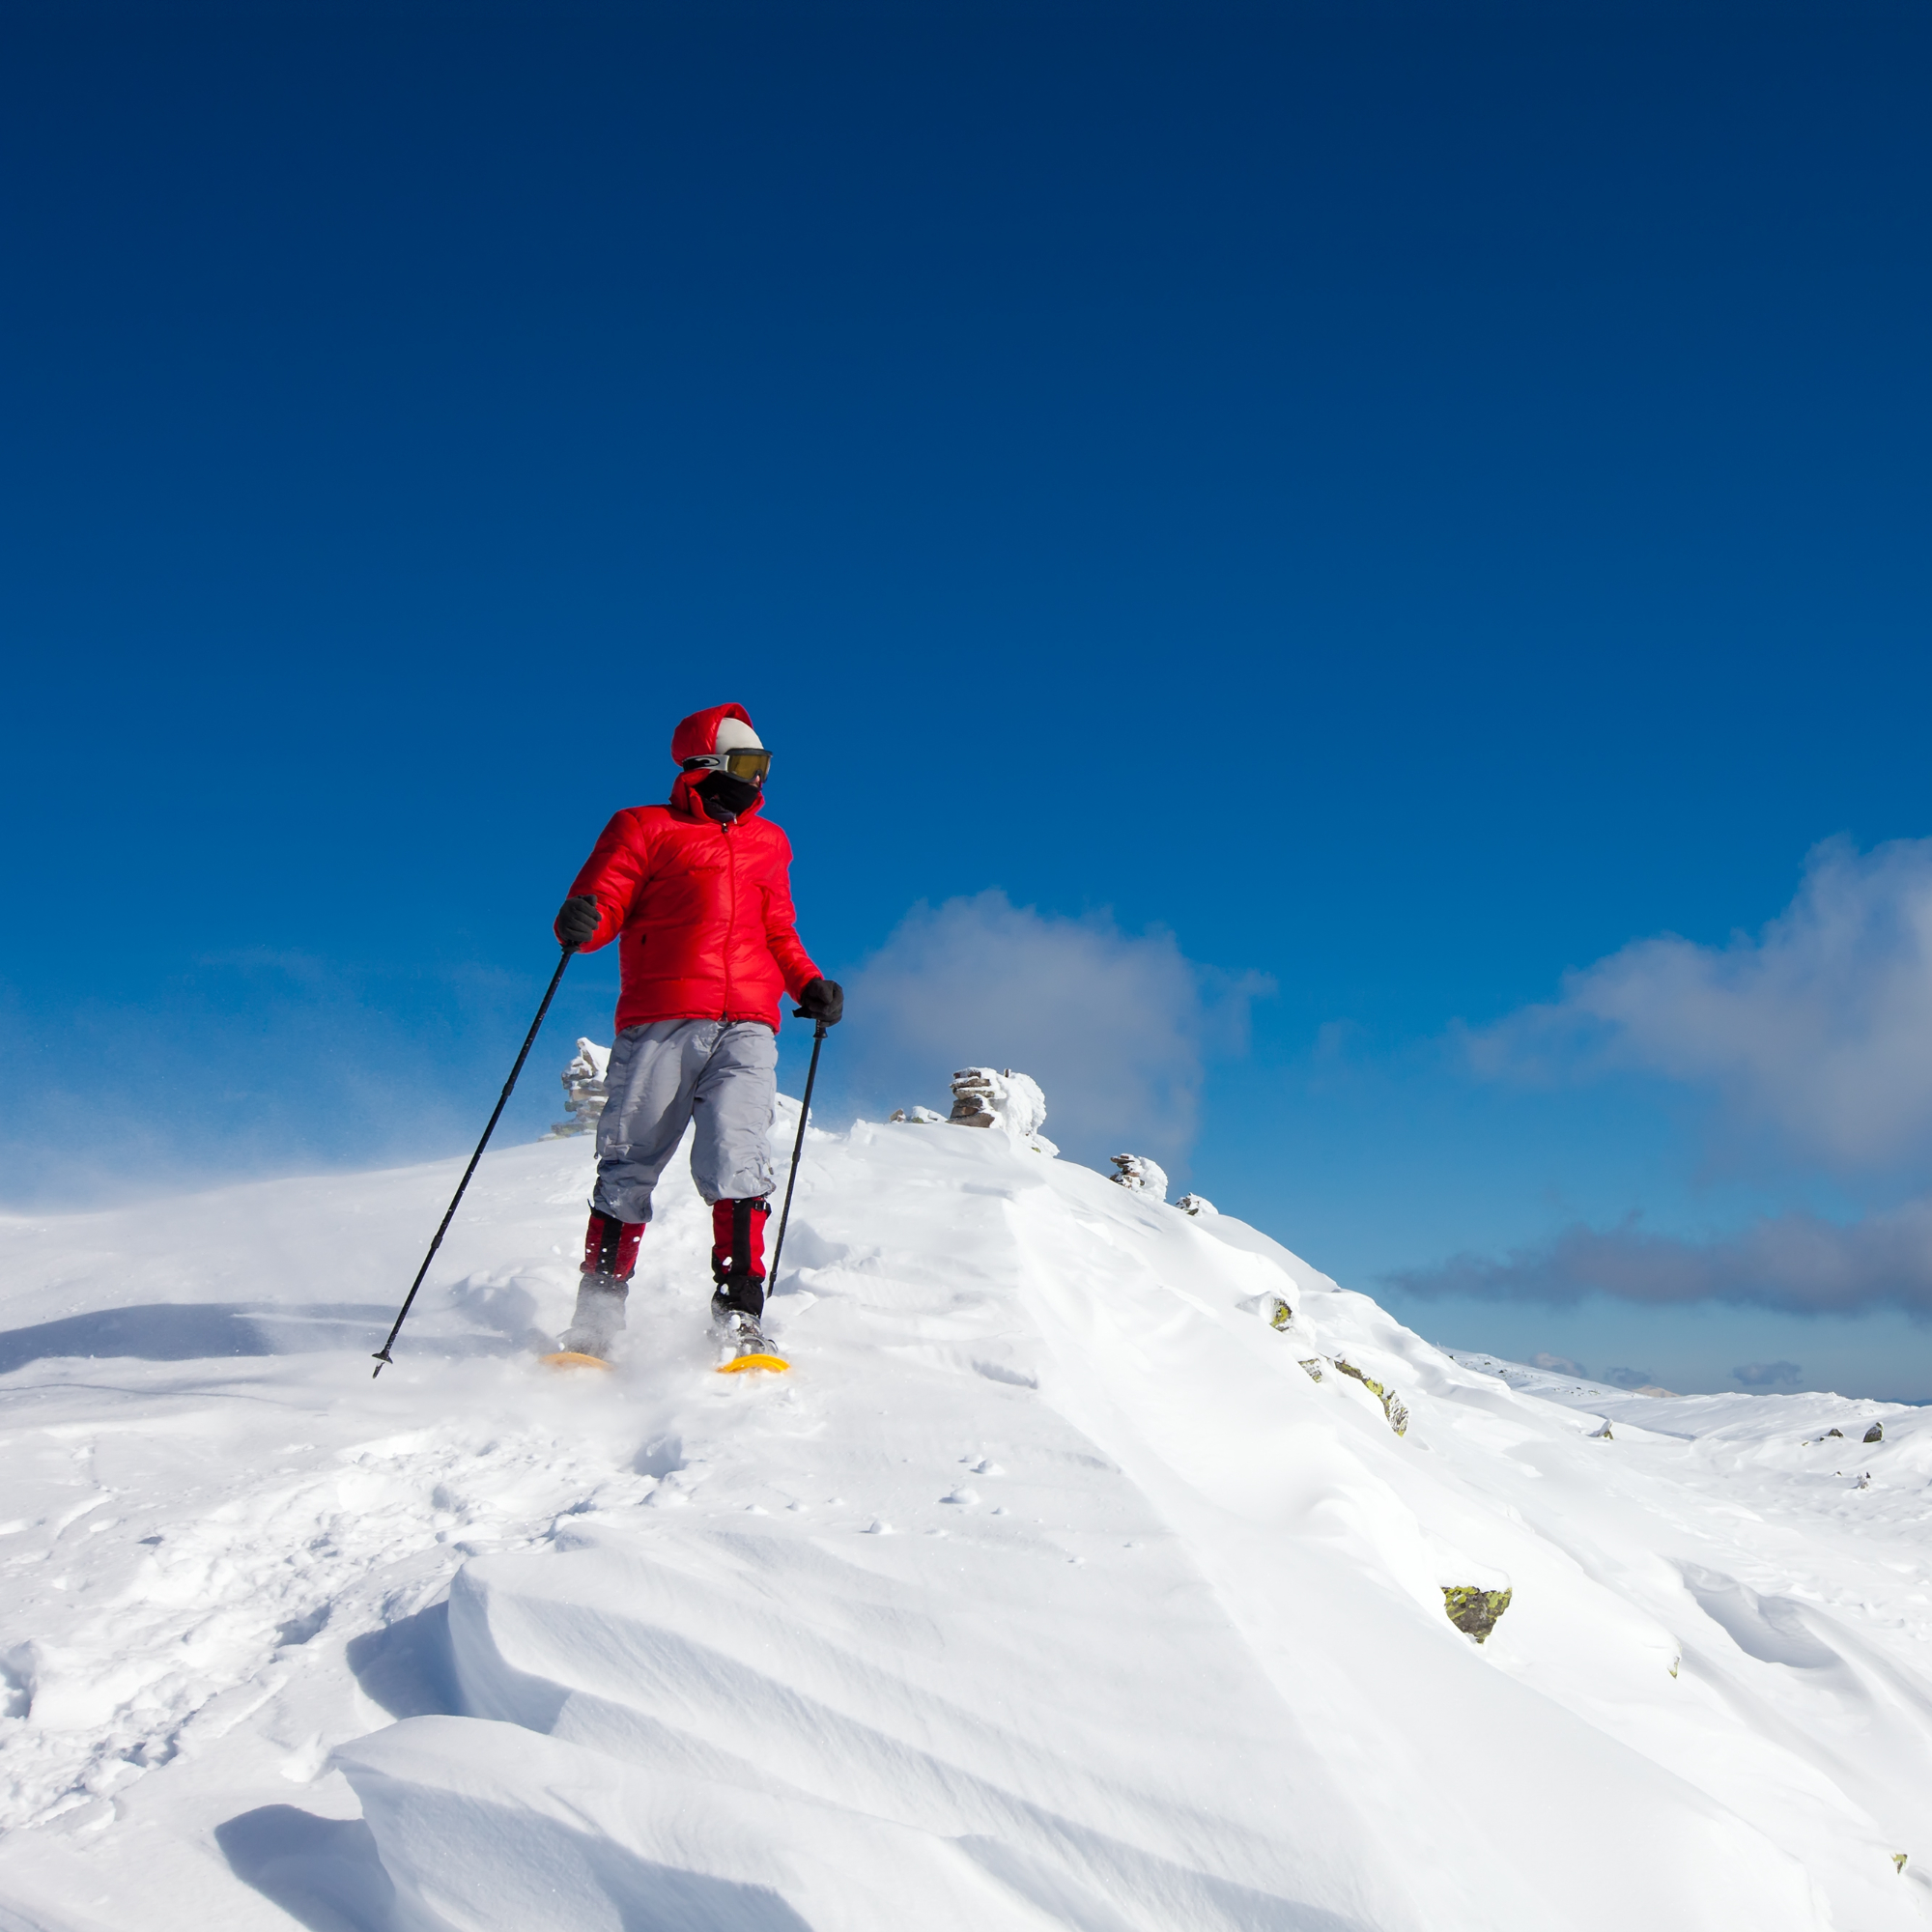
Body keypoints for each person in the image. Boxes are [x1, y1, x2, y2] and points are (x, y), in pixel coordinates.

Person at [551, 702, 842, 1359]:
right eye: (747, 765)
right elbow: (605, 902)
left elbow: (778, 930)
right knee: (630, 1160)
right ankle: (597, 1318)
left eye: (765, 766)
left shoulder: (771, 842)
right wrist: (583, 921)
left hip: (748, 1020)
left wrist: (808, 984)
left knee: (737, 1157)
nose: (759, 781)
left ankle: (739, 1312)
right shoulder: (644, 827)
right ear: (705, 768)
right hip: (663, 1017)